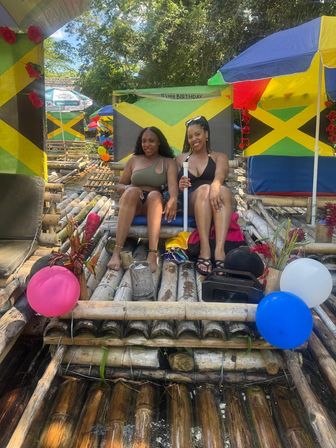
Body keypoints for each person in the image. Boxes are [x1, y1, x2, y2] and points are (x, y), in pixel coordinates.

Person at [107, 126, 178, 272]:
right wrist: (129, 188)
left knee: (154, 195)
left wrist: (173, 199)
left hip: (153, 205)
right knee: (132, 191)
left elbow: (172, 186)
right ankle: (116, 252)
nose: (147, 144)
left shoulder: (168, 162)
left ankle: (152, 254)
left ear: (159, 142)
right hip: (133, 202)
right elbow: (120, 185)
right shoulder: (134, 160)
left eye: (151, 141)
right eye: (144, 141)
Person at [176, 116, 232, 275]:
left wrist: (215, 185)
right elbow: (172, 187)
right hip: (193, 200)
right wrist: (180, 185)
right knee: (204, 190)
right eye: (190, 136)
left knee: (223, 190)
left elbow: (220, 174)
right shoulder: (180, 159)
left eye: (197, 134)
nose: (194, 139)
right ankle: (205, 249)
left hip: (216, 197)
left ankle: (219, 251)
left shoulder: (219, 157)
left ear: (206, 134)